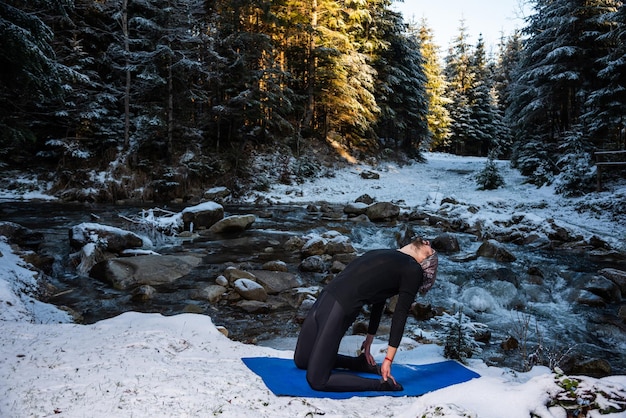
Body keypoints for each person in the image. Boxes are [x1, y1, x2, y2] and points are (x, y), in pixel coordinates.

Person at [293, 237, 439, 392]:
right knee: (302, 360)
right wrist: (369, 340)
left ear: (424, 261)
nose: (428, 243)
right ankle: (358, 364)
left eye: (431, 252)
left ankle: (381, 385)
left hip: (340, 307)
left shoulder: (413, 269)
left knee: (317, 381)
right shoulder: (388, 255)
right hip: (325, 298)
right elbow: (379, 299)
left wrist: (388, 359)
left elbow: (400, 314)